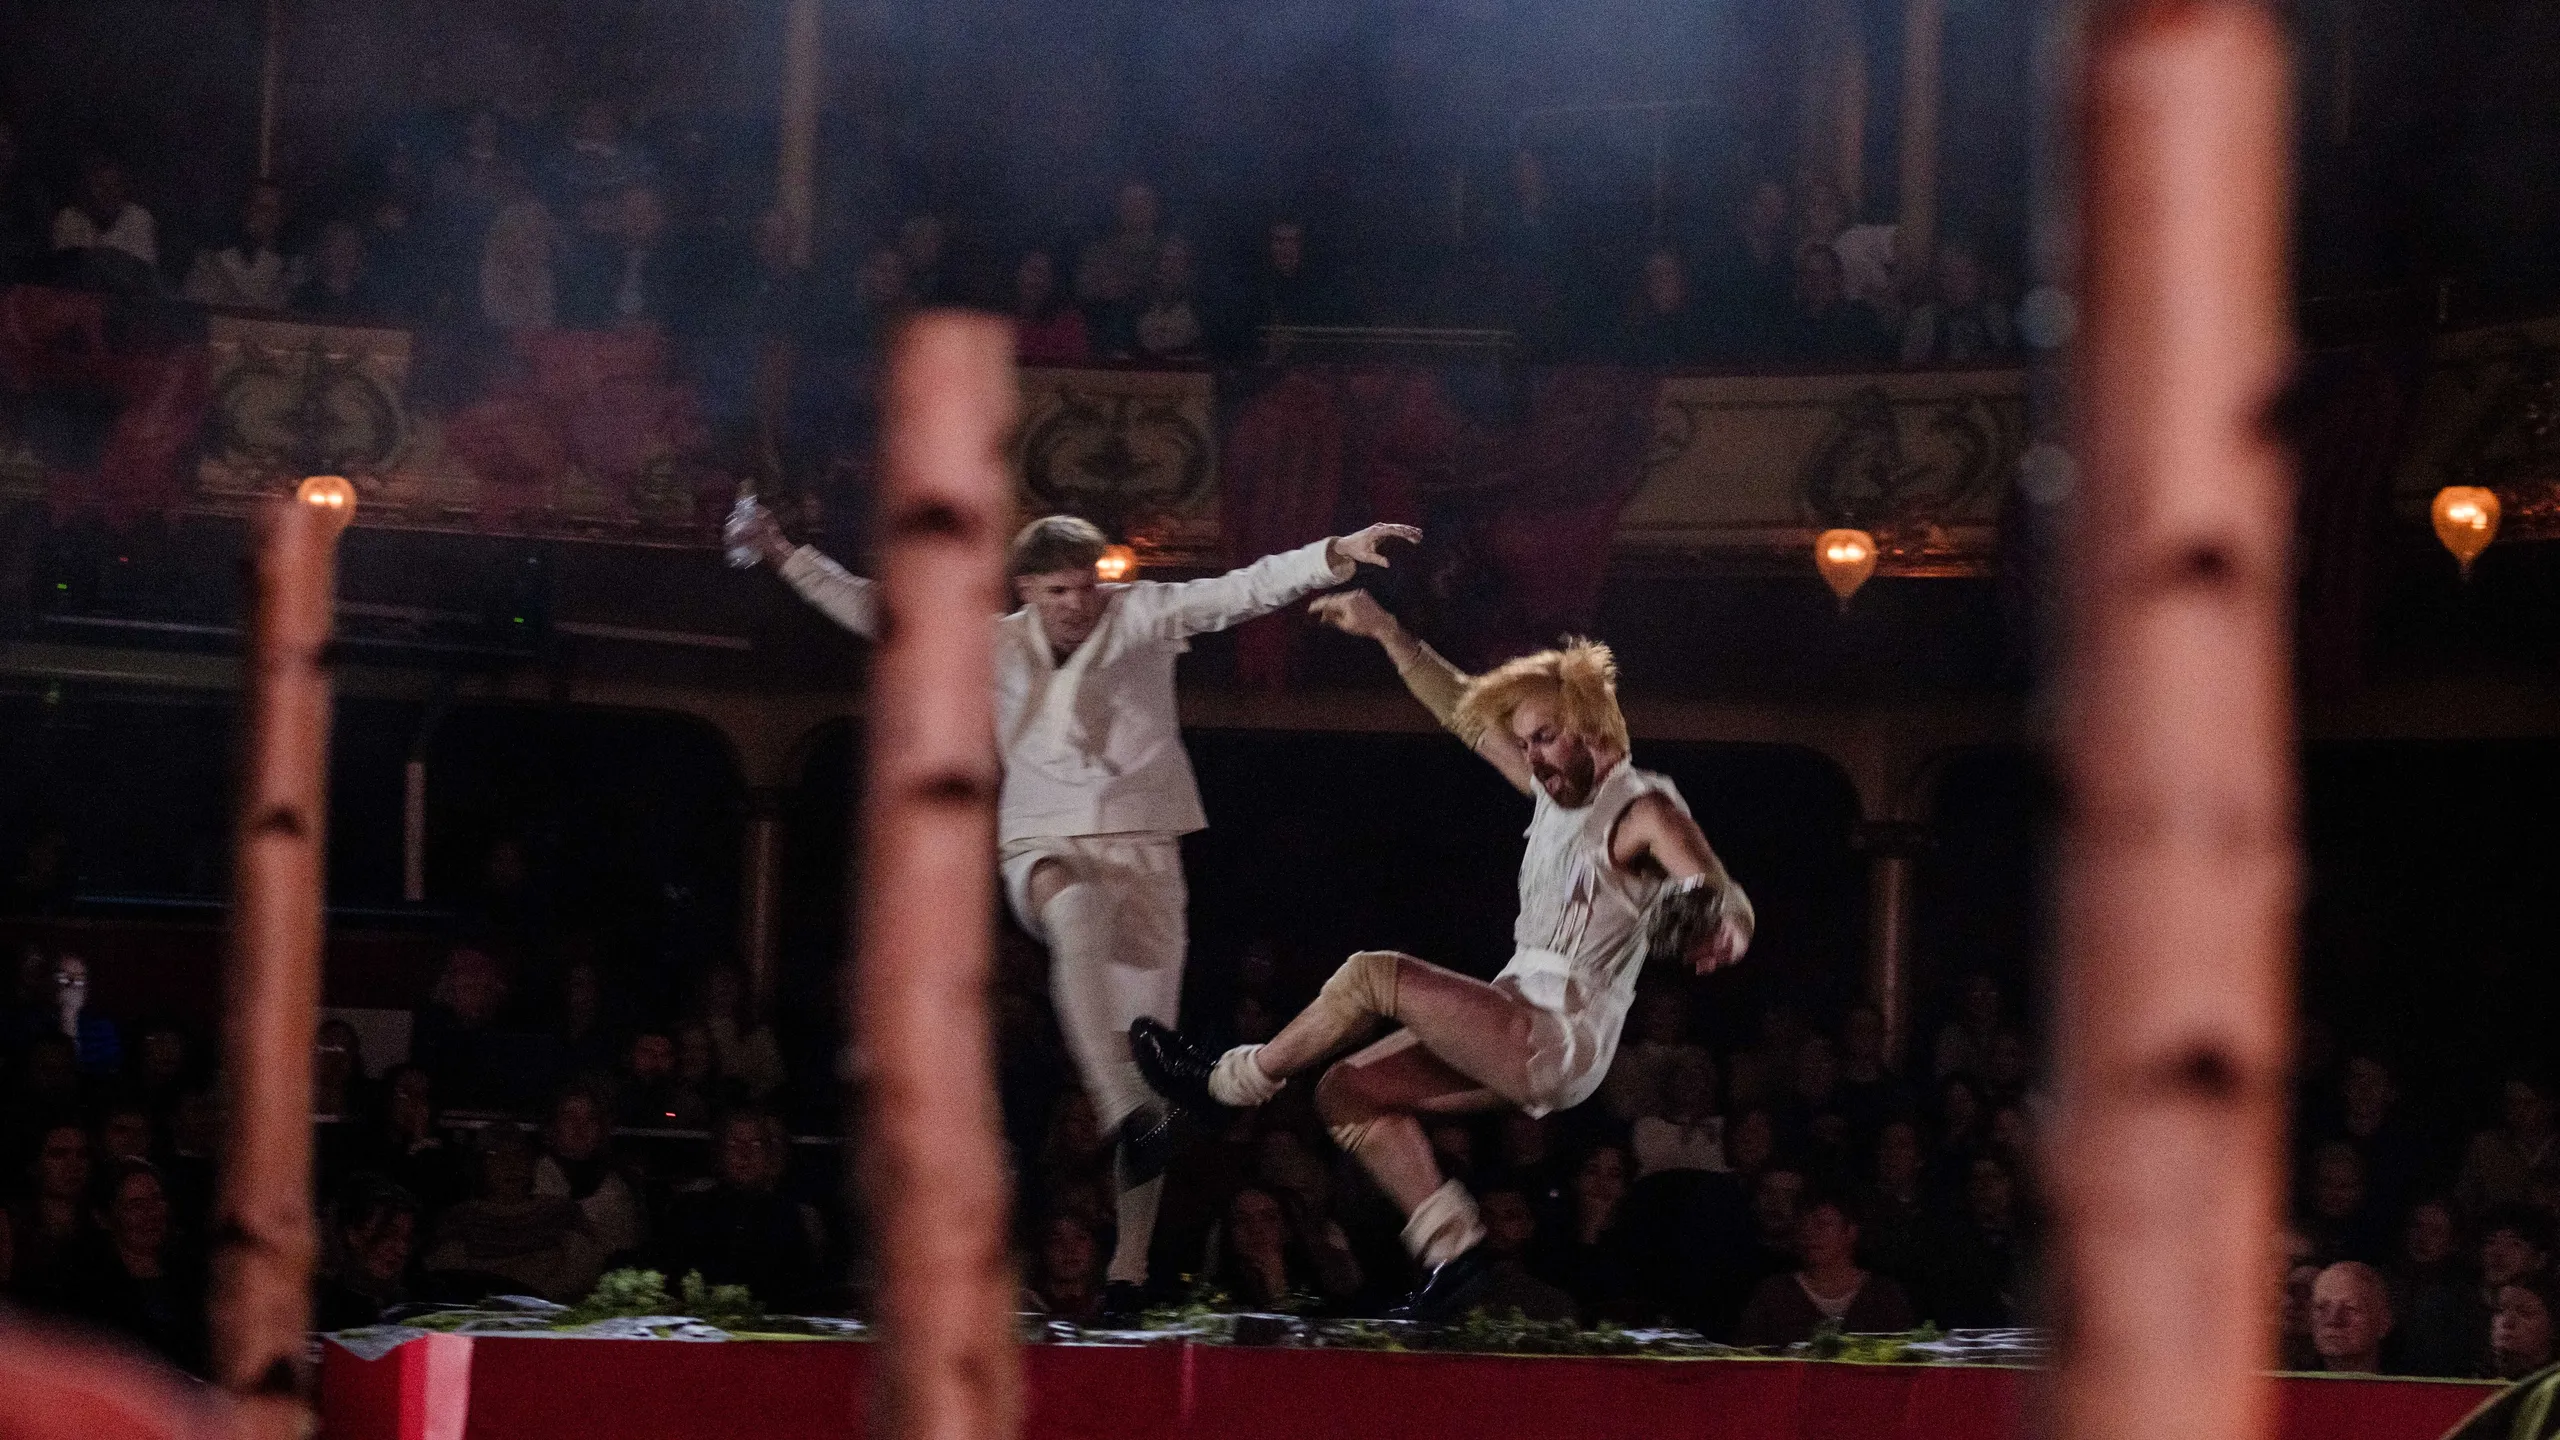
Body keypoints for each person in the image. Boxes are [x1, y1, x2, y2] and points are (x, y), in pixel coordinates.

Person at [735, 503, 1418, 1317]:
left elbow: (1242, 589)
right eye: (1057, 590)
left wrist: (1332, 549)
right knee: (1078, 911)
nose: (1075, 604)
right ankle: (1119, 1107)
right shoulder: (991, 641)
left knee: (1150, 1057)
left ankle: (1127, 1270)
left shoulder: (1145, 616)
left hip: (1148, 855)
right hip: (1043, 849)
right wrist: (782, 553)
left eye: (1086, 588)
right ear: (1026, 587)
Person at [1132, 595, 1754, 1319]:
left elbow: (1718, 890)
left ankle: (1225, 1087)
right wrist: (1388, 633)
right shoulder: (1558, 794)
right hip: (1516, 1009)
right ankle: (1452, 1253)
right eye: (1526, 744)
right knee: (1344, 1092)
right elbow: (1462, 709)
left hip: (1559, 1034)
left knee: (1373, 974)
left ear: (1590, 727)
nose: (1534, 758)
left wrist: (1727, 927)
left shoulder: (1644, 809)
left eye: (1546, 738)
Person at [654, 1109, 819, 1312]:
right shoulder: (689, 1211)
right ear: (719, 1154)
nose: (744, 1154)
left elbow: (800, 1291)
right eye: (733, 1145)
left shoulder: (789, 1216)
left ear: (769, 1156)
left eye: (756, 1145)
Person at [420, 1124, 604, 1304]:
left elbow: (583, 1270)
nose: (510, 1164)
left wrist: (539, 1302)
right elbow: (451, 1277)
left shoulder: (563, 1212)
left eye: (519, 1155)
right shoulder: (459, 1219)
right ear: (479, 1164)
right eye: (496, 1155)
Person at [63, 1159, 206, 1373]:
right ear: (103, 1218)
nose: (151, 1213)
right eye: (136, 1205)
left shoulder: (192, 1275)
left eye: (157, 1199)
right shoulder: (90, 1289)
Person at [1736, 1190, 1916, 1346]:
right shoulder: (1774, 1294)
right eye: (1803, 1225)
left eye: (1822, 1224)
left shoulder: (1884, 1295)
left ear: (1851, 1232)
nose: (1810, 1233)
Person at [532, 1086, 645, 1259]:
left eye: (590, 1118)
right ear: (552, 1125)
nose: (580, 1126)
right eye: (569, 1117)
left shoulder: (617, 1186)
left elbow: (625, 1246)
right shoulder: (528, 1177)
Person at [312, 1178, 419, 1330]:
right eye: (388, 1234)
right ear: (353, 1234)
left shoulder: (415, 1304)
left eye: (406, 1239)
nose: (401, 1249)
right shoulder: (320, 1314)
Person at [1469, 1180, 1579, 1324]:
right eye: (1487, 1215)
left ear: (1529, 1225)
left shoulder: (1552, 1304)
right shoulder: (1453, 1294)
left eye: (1510, 1216)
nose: (1496, 1225)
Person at [182, 181, 299, 310]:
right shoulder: (208, 261)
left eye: (273, 210)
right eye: (259, 207)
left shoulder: (289, 270)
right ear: (244, 211)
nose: (266, 216)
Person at [2311, 1260, 2395, 1375]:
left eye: (2350, 1308)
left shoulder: (2410, 1391)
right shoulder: (2286, 1388)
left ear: (2384, 1323)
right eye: (2321, 1307)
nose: (2332, 1320)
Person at [1012, 248, 1090, 364]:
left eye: (1042, 273)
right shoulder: (996, 319)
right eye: (1031, 270)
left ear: (1052, 281)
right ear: (1018, 272)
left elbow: (1076, 372)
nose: (1035, 280)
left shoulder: (1068, 324)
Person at [2490, 1273, 2560, 1380]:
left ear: (2553, 1326)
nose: (2507, 1322)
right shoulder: (2471, 1374)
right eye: (2500, 1310)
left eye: (2525, 1313)